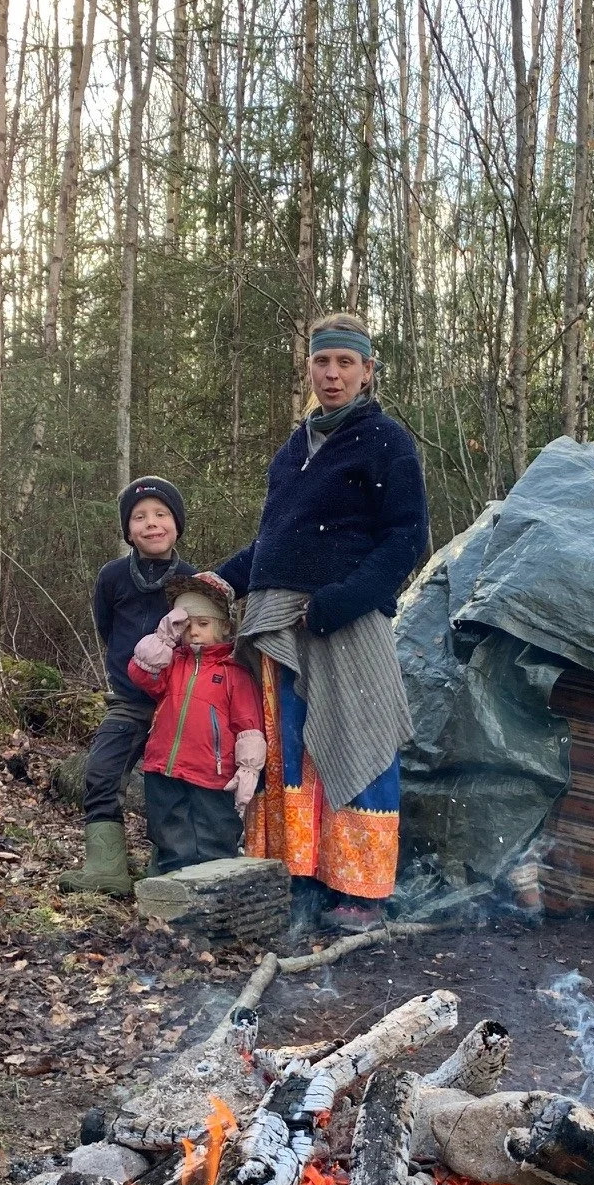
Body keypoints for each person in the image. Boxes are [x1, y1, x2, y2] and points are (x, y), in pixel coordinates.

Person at [216, 313, 428, 926]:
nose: (331, 374)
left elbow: (405, 538)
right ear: (308, 367)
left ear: (367, 371)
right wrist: (223, 579)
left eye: (345, 363)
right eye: (321, 362)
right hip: (282, 624)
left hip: (347, 620)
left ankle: (361, 891)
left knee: (361, 737)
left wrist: (341, 599)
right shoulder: (292, 450)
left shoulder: (386, 440)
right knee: (293, 750)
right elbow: (274, 542)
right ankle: (304, 875)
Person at [61, 476, 194, 894]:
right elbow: (107, 627)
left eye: (161, 514)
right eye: (140, 517)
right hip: (127, 702)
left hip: (177, 704)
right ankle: (107, 868)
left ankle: (168, 868)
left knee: (170, 785)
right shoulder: (113, 576)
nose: (151, 524)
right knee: (101, 773)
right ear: (128, 529)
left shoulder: (192, 580)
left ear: (176, 524)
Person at [127, 572, 266, 873]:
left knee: (214, 840)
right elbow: (141, 674)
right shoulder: (171, 661)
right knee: (169, 836)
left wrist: (248, 768)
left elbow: (249, 726)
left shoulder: (234, 672)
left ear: (224, 627)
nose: (194, 633)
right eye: (186, 625)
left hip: (213, 776)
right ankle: (169, 894)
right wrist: (163, 638)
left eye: (203, 624)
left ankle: (213, 901)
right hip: (163, 767)